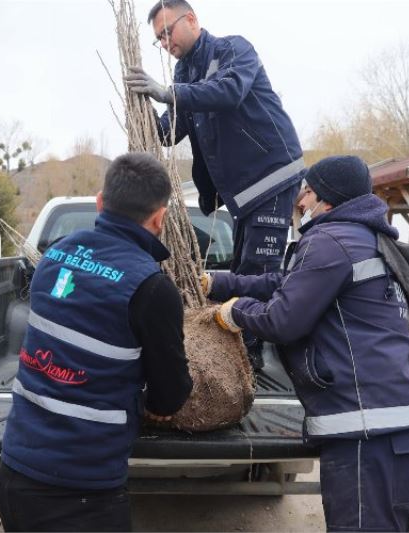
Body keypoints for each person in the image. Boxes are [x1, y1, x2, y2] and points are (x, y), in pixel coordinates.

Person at [207, 155, 409, 532]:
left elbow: (283, 319)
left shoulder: (332, 241)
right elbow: (286, 284)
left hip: (371, 434)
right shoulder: (360, 239)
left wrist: (236, 313)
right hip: (394, 428)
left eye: (309, 191)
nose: (300, 201)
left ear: (328, 198)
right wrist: (219, 283)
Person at [0, 152, 194, 532]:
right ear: (159, 218)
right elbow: (171, 394)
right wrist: (152, 405)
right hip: (80, 492)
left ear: (100, 202)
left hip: (15, 471)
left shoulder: (53, 257)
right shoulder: (152, 288)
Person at [124, 0, 304, 368]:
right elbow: (171, 130)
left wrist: (166, 93)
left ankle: (250, 361)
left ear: (190, 19)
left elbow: (228, 92)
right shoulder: (182, 75)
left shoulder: (233, 50)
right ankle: (244, 350)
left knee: (257, 270)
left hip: (270, 175)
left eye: (167, 32)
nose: (164, 43)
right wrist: (139, 112)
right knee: (242, 270)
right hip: (241, 194)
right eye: (158, 38)